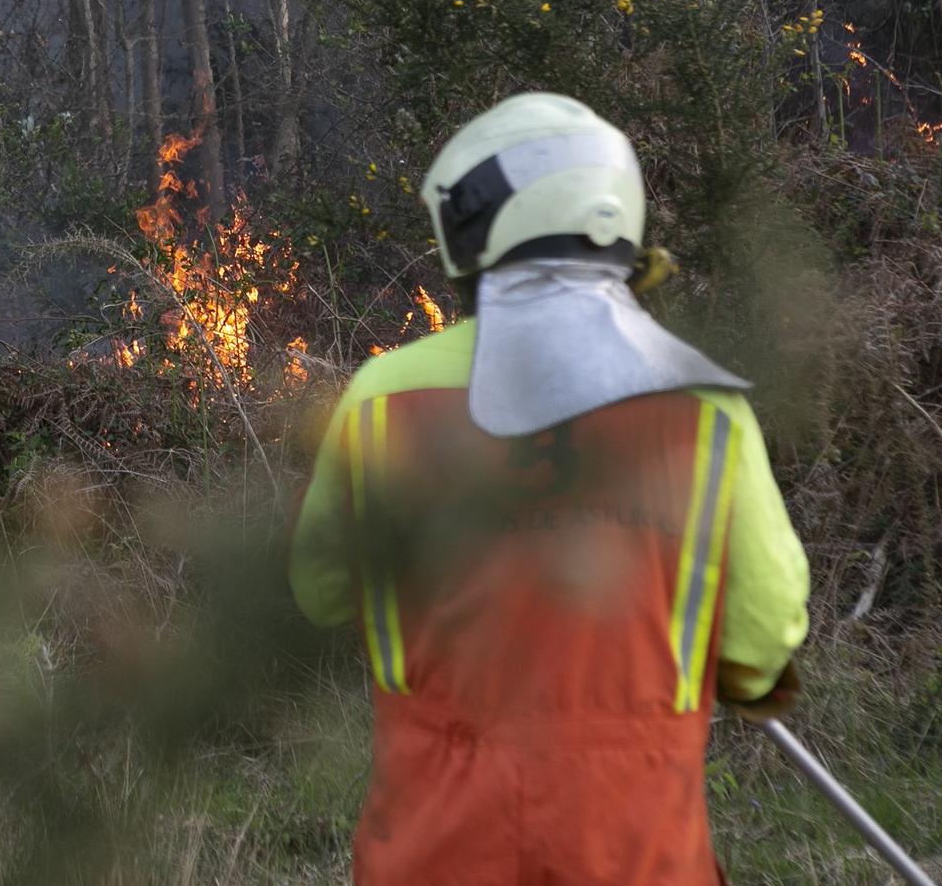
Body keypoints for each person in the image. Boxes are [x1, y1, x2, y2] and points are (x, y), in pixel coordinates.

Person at [289, 92, 809, 884]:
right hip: (635, 854)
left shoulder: (378, 400)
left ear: (470, 232)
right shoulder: (706, 410)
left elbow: (320, 593)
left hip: (434, 849)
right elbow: (762, 636)